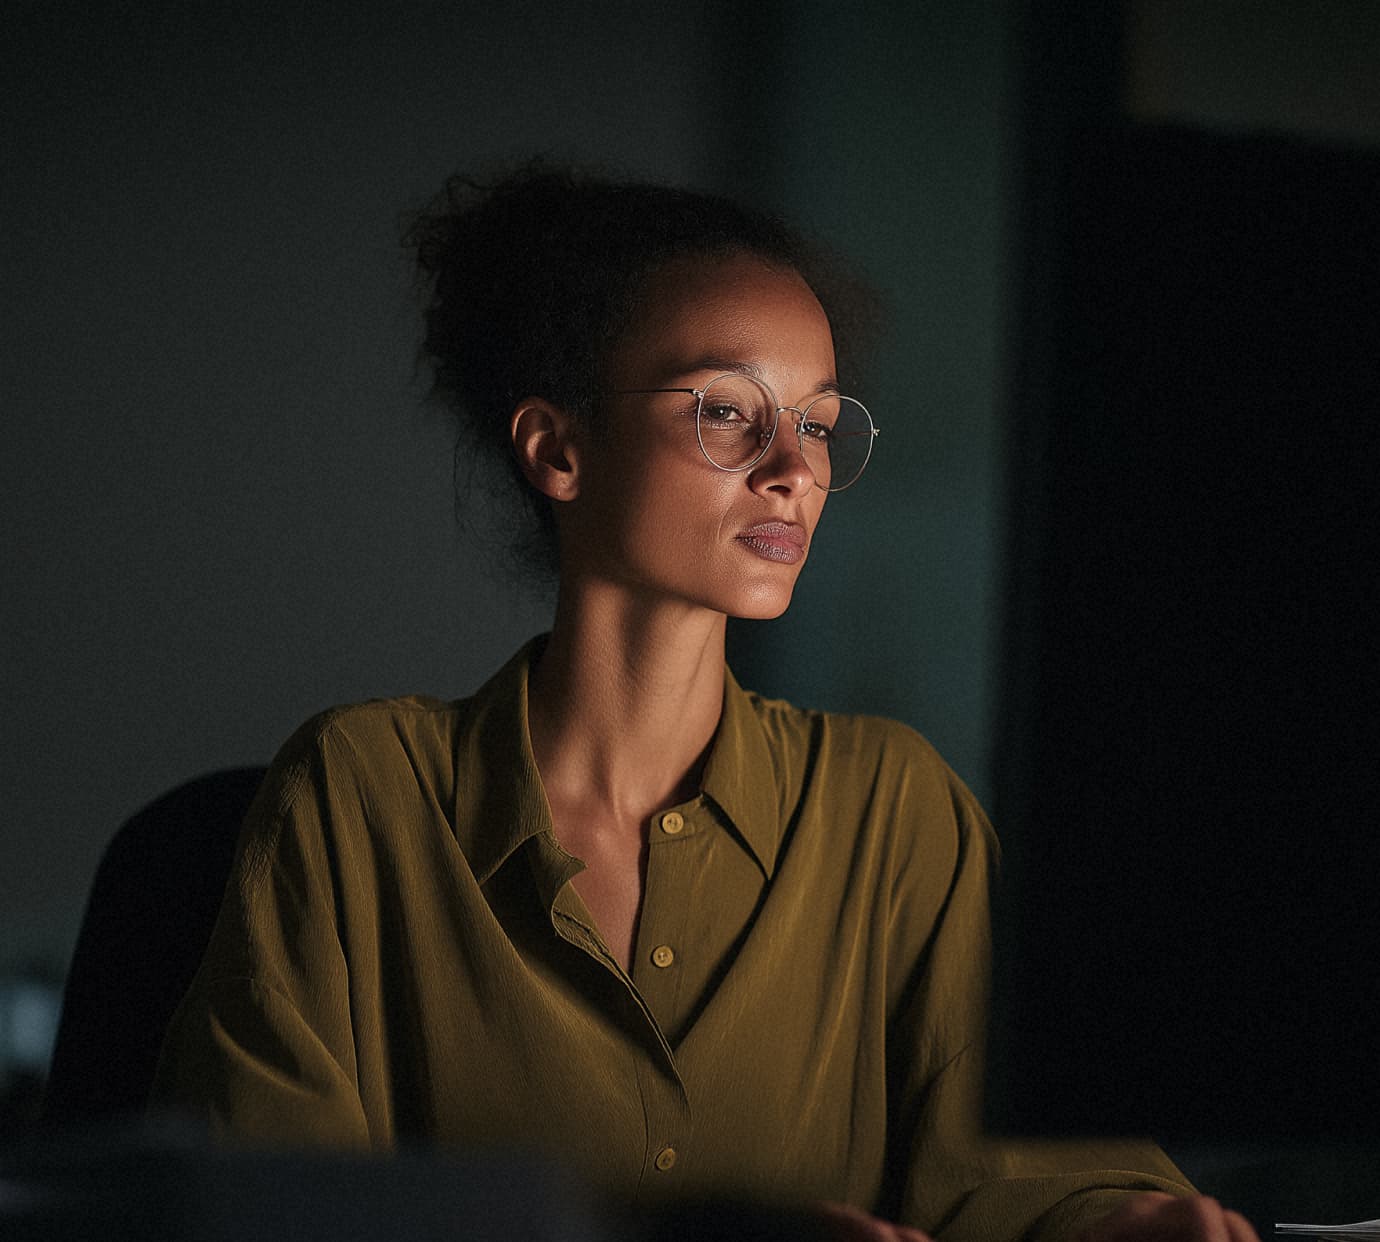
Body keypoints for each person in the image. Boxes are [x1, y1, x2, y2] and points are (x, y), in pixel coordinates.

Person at [150, 164, 1258, 1242]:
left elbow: (1035, 1183)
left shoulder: (893, 808)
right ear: (558, 447)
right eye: (728, 411)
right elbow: (263, 1211)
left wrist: (1130, 1222)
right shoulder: (362, 791)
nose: (794, 469)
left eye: (819, 424)